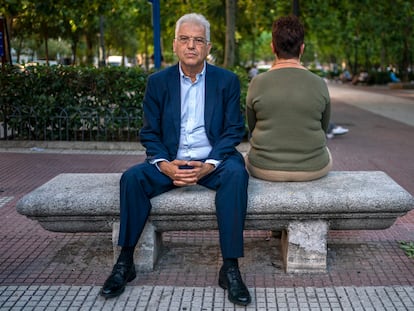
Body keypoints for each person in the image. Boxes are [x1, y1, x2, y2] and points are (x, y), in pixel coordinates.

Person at [99, 13, 251, 306]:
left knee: (237, 174)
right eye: (185, 39)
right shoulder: (158, 83)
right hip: (171, 162)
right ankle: (125, 262)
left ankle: (230, 267)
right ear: (174, 45)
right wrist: (164, 165)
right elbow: (150, 133)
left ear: (207, 47)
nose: (191, 46)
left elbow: (234, 130)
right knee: (132, 179)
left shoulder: (226, 81)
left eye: (198, 40)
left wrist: (210, 164)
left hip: (213, 163)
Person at [245, 15, 332, 182]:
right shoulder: (319, 83)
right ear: (302, 49)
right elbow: (324, 127)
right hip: (314, 168)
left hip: (263, 167)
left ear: (272, 47)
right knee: (327, 153)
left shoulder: (257, 83)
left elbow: (252, 125)